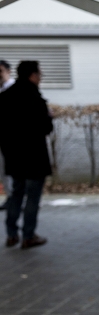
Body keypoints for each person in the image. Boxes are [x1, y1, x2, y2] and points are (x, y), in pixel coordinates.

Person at [0, 61, 53, 249]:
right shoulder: (34, 97)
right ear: (32, 75)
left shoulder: (4, 97)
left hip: (14, 156)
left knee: (16, 193)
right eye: (39, 74)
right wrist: (49, 116)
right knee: (32, 196)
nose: (40, 78)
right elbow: (46, 127)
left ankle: (11, 233)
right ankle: (28, 235)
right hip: (34, 156)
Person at [0, 60, 14, 211]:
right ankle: (11, 197)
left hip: (13, 137)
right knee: (4, 169)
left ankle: (17, 198)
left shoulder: (15, 88)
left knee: (14, 169)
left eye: (1, 71)